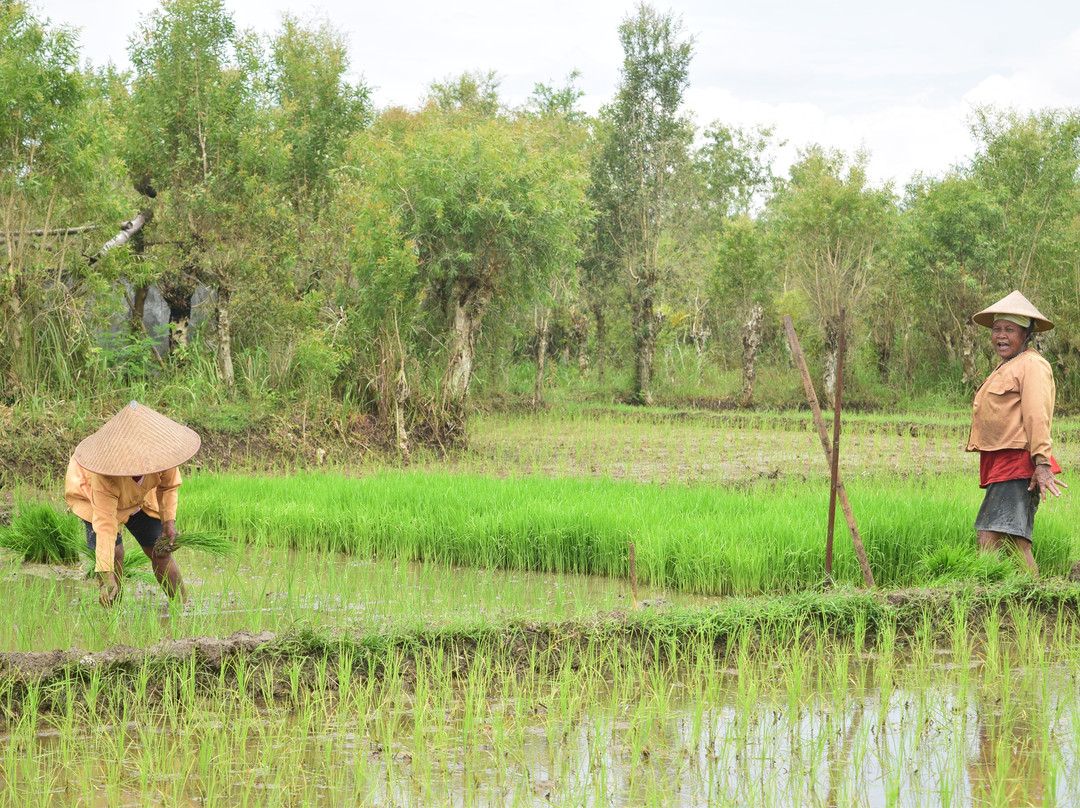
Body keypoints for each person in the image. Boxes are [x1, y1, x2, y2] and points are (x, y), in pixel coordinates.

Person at [966, 291, 1066, 576]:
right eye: (997, 329)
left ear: (1026, 333)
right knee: (1015, 541)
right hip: (1004, 462)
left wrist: (1042, 463)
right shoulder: (1009, 365)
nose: (1001, 335)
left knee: (990, 537)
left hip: (1017, 463)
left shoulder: (1031, 365)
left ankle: (980, 598)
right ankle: (1030, 599)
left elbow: (1037, 414)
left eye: (1010, 329)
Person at [64, 400, 201, 606]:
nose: (142, 463)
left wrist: (168, 523)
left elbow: (168, 487)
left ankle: (182, 607)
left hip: (138, 498)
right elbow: (105, 525)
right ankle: (112, 613)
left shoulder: (161, 456)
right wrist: (106, 574)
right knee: (114, 554)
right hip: (92, 497)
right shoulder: (104, 473)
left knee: (160, 551)